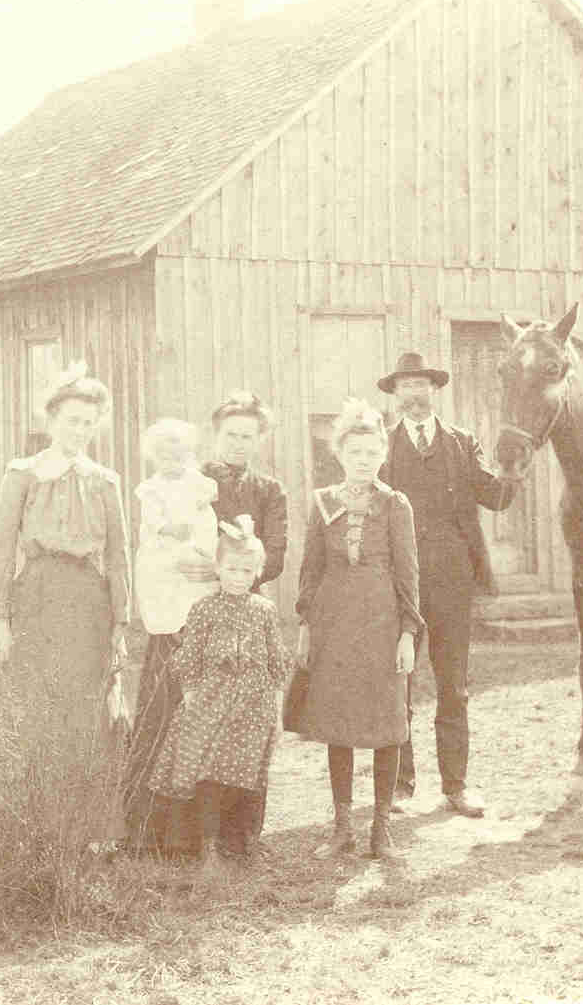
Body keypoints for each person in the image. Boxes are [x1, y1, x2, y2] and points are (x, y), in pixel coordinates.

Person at [0, 361, 132, 843]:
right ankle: (17, 828)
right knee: (26, 708)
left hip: (89, 601)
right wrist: (0, 617)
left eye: (89, 423)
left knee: (84, 712)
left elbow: (120, 555)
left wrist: (119, 623)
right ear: (51, 421)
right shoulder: (23, 475)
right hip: (37, 599)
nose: (80, 431)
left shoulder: (105, 481)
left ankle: (81, 830)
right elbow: (0, 547)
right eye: (72, 420)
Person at [376, 352, 520, 819]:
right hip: (400, 585)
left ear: (433, 391)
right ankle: (399, 785)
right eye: (405, 386)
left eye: (421, 385)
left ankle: (455, 786)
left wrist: (512, 468)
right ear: (395, 394)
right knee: (398, 681)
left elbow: (493, 496)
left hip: (453, 582)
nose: (414, 394)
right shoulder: (379, 446)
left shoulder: (461, 443)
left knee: (452, 684)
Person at [291, 399, 422, 861]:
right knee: (340, 723)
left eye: (372, 451)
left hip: (383, 624)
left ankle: (381, 828)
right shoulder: (323, 503)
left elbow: (408, 574)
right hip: (334, 626)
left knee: (387, 724)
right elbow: (310, 568)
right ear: (340, 454)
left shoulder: (395, 505)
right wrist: (306, 626)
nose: (364, 459)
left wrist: (408, 633)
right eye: (355, 452)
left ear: (382, 454)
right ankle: (342, 826)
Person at [148, 518, 289, 877]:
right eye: (231, 569)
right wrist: (194, 696)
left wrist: (276, 704)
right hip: (211, 700)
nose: (238, 578)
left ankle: (244, 844)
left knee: (249, 773)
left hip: (254, 705)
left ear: (257, 572)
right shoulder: (204, 609)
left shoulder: (265, 611)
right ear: (217, 568)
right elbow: (190, 657)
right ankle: (208, 847)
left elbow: (276, 659)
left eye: (246, 570)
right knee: (208, 770)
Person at [122, 418, 220, 858]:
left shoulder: (202, 487)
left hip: (197, 585)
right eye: (162, 451)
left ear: (191, 451)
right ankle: (149, 825)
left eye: (178, 449)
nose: (171, 458)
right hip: (163, 580)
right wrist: (167, 532)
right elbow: (154, 534)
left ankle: (197, 828)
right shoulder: (150, 492)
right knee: (160, 711)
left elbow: (205, 536)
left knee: (198, 714)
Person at [200, 390, 288, 851]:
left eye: (247, 436)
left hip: (249, 614)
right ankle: (191, 835)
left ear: (260, 440)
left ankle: (244, 833)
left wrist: (242, 567)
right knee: (200, 720)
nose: (238, 442)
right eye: (230, 434)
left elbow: (274, 556)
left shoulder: (269, 490)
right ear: (216, 435)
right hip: (199, 611)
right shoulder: (194, 481)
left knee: (250, 722)